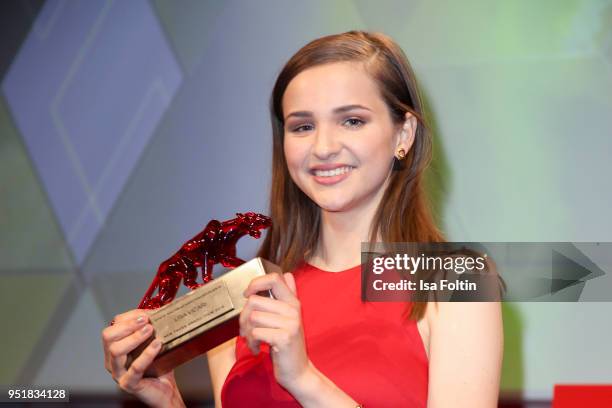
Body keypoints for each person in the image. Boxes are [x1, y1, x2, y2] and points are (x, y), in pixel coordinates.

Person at [102, 30, 503, 407]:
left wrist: (304, 378)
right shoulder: (248, 293)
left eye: (352, 120)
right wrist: (168, 400)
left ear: (404, 133)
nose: (323, 147)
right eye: (303, 126)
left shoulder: (455, 279)